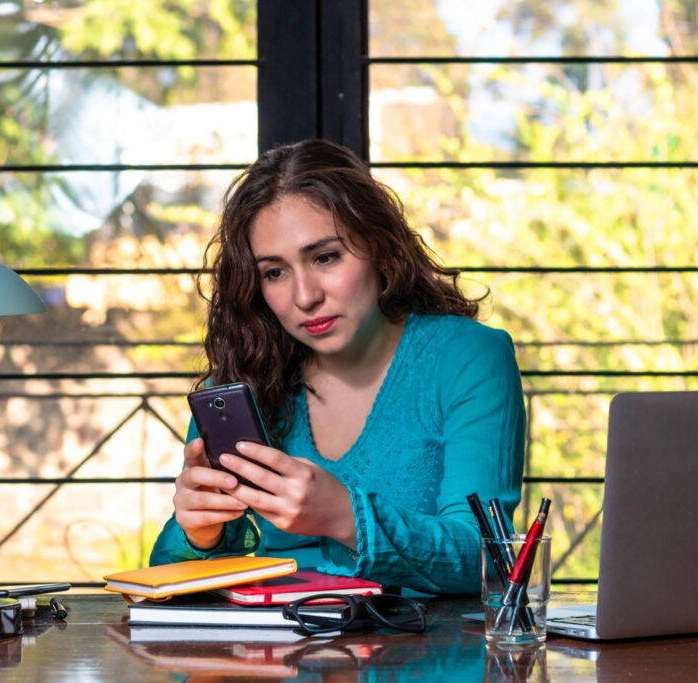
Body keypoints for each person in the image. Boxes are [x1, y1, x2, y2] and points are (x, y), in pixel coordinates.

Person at [149, 139, 525, 595]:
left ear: (380, 248)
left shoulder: (467, 356)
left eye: (325, 257)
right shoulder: (242, 379)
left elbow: (487, 558)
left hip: (421, 640)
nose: (305, 296)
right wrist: (200, 534)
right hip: (272, 640)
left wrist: (345, 517)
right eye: (274, 272)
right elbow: (167, 582)